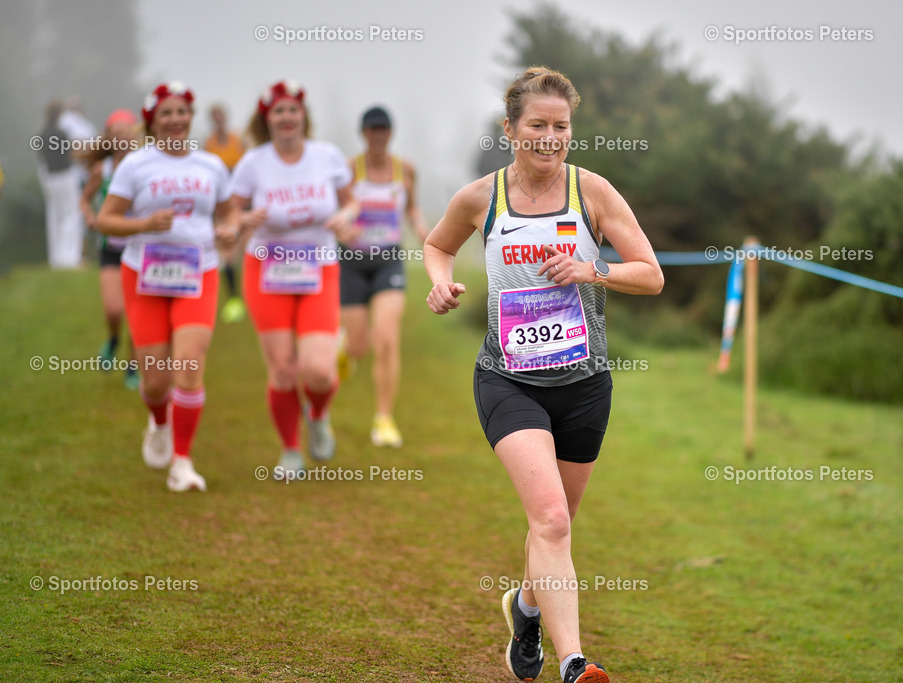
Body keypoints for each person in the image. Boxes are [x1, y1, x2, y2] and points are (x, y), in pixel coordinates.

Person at [424, 66, 663, 683]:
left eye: (561, 126)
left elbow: (651, 273)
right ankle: (574, 664)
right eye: (538, 125)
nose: (551, 137)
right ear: (511, 130)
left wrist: (593, 272)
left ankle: (525, 610)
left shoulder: (594, 193)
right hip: (509, 380)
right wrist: (440, 283)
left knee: (555, 524)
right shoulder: (482, 198)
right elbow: (437, 244)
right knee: (551, 519)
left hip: (584, 386)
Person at [97, 81, 239, 492]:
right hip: (144, 275)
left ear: (190, 118)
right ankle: (158, 422)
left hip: (199, 272)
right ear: (152, 121)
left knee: (190, 366)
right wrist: (142, 224)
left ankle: (182, 461)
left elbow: (229, 210)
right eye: (166, 114)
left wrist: (227, 230)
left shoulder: (210, 164)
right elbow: (107, 220)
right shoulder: (135, 165)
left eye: (182, 112)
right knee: (156, 380)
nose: (176, 120)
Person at [230, 80, 358, 476]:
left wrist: (345, 218)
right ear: (266, 120)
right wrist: (242, 220)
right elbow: (230, 215)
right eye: (278, 112)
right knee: (284, 368)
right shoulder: (253, 162)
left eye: (293, 110)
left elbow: (351, 200)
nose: (287, 118)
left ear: (304, 116)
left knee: (319, 370)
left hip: (318, 267)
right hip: (266, 269)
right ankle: (290, 450)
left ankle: (317, 414)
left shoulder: (327, 156)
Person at [337, 106, 428, 448]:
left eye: (383, 130)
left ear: (391, 133)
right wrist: (342, 225)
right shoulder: (349, 170)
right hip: (352, 261)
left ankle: (384, 418)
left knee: (387, 340)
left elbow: (412, 206)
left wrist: (419, 224)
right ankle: (345, 349)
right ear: (363, 133)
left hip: (388, 261)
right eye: (372, 130)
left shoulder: (405, 170)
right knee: (359, 345)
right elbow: (337, 211)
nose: (378, 136)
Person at [80, 109, 142, 390]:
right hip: (110, 249)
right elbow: (84, 200)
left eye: (127, 134)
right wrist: (91, 217)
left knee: (138, 314)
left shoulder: (144, 167)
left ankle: (132, 366)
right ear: (109, 138)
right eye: (116, 135)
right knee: (114, 310)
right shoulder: (101, 170)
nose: (122, 140)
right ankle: (114, 338)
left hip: (141, 249)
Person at [203, 104, 248, 323]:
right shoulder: (208, 144)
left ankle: (252, 295)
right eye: (215, 116)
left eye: (221, 115)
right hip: (220, 205)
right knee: (228, 253)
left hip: (240, 204)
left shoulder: (237, 140)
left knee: (246, 250)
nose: (219, 119)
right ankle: (234, 299)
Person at [37, 100, 86, 268]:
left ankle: (56, 258)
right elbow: (71, 154)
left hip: (49, 178)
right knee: (71, 215)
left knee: (54, 216)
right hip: (65, 176)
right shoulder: (61, 133)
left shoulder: (42, 133)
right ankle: (69, 257)